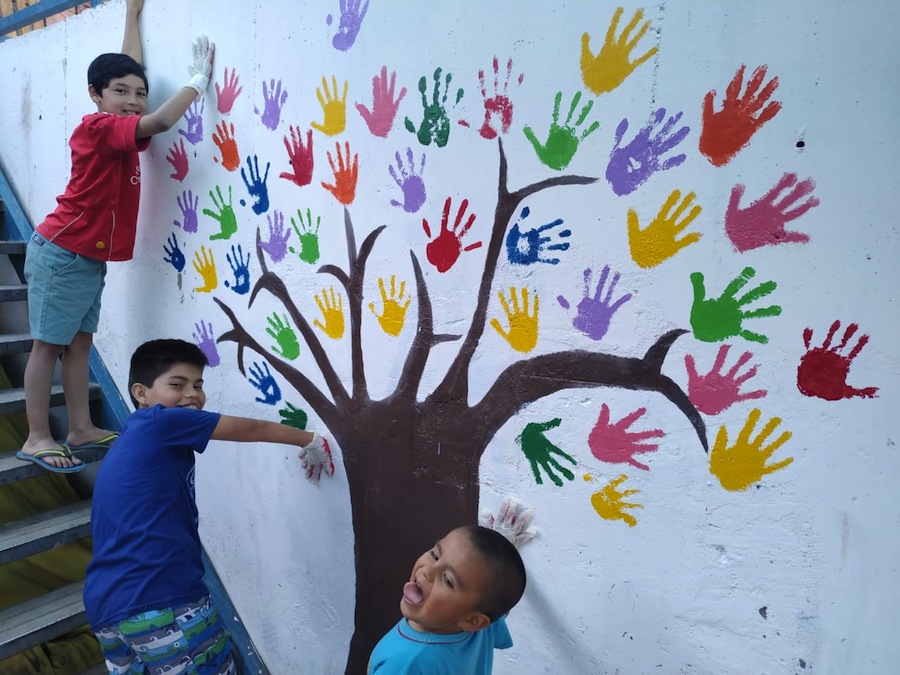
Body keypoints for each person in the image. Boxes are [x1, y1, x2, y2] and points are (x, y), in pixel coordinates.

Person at [17, 0, 215, 473]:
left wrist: (131, 16)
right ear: (95, 95)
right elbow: (162, 121)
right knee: (48, 345)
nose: (132, 98)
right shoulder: (101, 128)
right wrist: (197, 81)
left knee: (80, 344)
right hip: (62, 253)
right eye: (119, 91)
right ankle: (37, 436)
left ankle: (81, 428)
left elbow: (133, 71)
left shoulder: (119, 122)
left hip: (85, 258)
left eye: (139, 93)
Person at [84, 338, 335, 674]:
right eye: (177, 384)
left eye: (198, 385)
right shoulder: (161, 421)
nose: (192, 394)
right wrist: (310, 439)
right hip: (161, 598)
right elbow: (251, 428)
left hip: (107, 607)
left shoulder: (133, 437)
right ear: (141, 394)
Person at [368, 525, 528, 674]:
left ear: (472, 620)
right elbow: (500, 609)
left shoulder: (404, 664)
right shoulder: (480, 615)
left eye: (448, 580)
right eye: (435, 555)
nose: (428, 571)